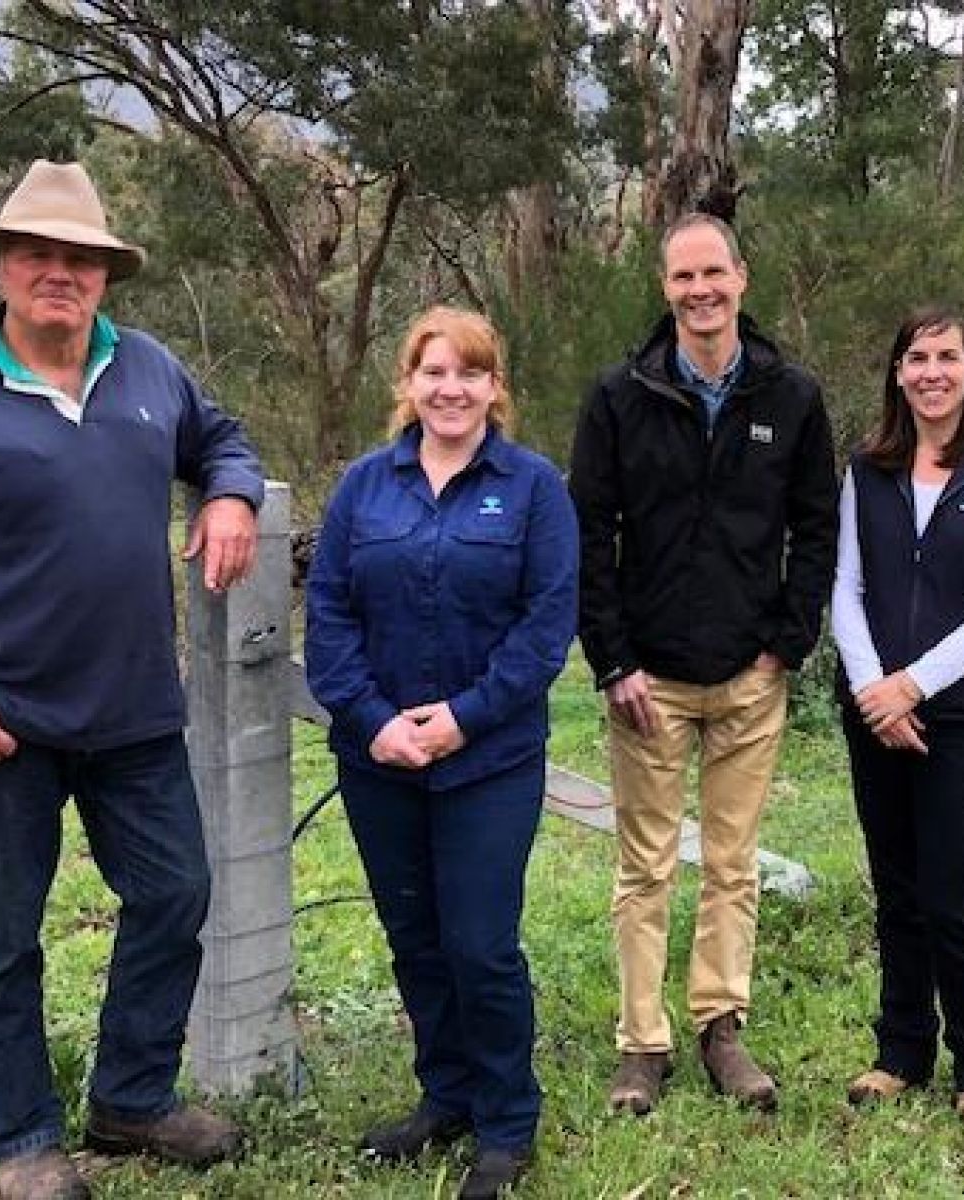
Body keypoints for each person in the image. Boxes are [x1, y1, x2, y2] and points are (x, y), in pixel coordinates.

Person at [0, 161, 259, 1200]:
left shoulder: (150, 372)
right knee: (1, 940)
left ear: (107, 275)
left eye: (81, 258)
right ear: (1, 267)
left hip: (132, 713)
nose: (60, 274)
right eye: (39, 254)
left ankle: (131, 1100)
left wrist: (230, 495)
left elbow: (221, 438)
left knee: (174, 895)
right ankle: (22, 1141)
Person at [304, 306, 577, 1200]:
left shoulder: (533, 488)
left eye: (469, 372)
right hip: (376, 759)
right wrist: (375, 719)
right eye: (433, 372)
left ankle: (505, 1122)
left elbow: (544, 631)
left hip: (488, 761)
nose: (450, 388)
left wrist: (462, 718)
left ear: (495, 387)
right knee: (416, 939)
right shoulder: (362, 489)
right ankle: (445, 1096)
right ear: (408, 386)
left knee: (481, 943)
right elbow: (331, 615)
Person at [569, 213, 839, 1115]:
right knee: (644, 866)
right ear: (665, 289)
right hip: (648, 680)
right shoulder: (619, 397)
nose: (700, 291)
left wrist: (785, 647)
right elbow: (588, 536)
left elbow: (817, 530)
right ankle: (642, 1047)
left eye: (712, 273)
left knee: (732, 863)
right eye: (683, 277)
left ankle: (722, 1027)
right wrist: (612, 663)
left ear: (742, 278)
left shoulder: (790, 398)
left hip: (748, 677)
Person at [831, 307, 964, 1125]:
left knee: (949, 888)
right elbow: (845, 591)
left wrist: (913, 685)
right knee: (896, 890)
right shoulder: (868, 472)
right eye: (916, 357)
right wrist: (873, 692)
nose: (931, 372)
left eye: (946, 358)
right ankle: (901, 1051)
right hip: (874, 714)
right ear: (896, 372)